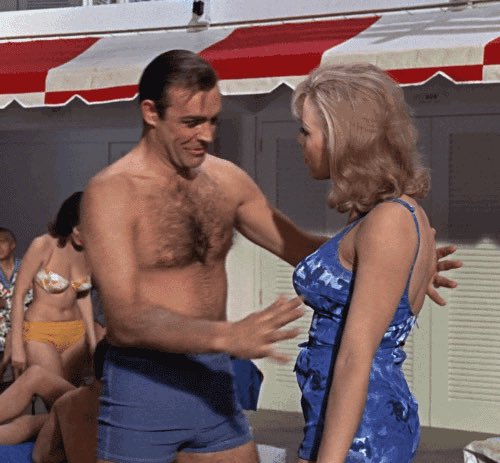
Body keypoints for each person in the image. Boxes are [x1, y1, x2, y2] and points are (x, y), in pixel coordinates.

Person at [80, 50, 460, 463]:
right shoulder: (111, 192)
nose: (206, 135)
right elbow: (124, 319)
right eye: (191, 122)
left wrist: (393, 266)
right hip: (144, 388)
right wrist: (228, 336)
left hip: (214, 384)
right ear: (151, 113)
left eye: (213, 121)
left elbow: (301, 249)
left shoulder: (226, 180)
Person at [291, 62, 446, 463]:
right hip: (339, 420)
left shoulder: (389, 220)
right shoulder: (373, 216)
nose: (299, 141)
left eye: (306, 131)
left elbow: (355, 357)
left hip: (363, 432)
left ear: (342, 139)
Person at [10, 192, 96, 385]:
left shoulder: (89, 251)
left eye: (89, 230)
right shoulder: (43, 244)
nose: (82, 235)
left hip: (76, 333)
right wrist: (16, 345)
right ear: (69, 221)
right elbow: (19, 294)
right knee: (56, 395)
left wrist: (92, 341)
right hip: (40, 332)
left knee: (70, 397)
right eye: (78, 228)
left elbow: (83, 296)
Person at [0, 228, 33, 379]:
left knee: (17, 332)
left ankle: (5, 366)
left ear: (12, 244)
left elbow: (34, 298)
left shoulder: (27, 268)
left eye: (2, 242)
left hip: (24, 323)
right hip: (2, 326)